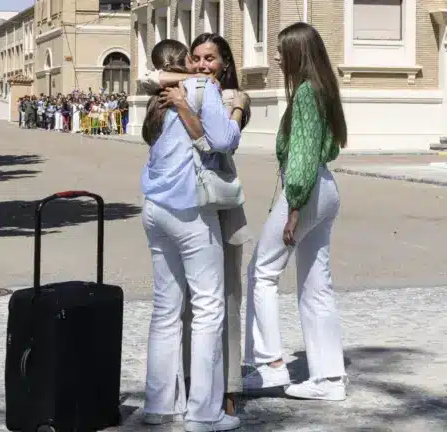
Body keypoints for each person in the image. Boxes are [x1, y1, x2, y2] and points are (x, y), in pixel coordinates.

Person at [141, 32, 252, 417]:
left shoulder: (163, 95)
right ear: (187, 60)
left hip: (155, 206)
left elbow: (150, 78)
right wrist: (228, 109)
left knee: (166, 309)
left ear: (225, 62)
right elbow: (223, 140)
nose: (203, 64)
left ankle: (158, 408)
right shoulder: (204, 89)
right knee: (208, 307)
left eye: (210, 58)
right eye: (196, 57)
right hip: (193, 206)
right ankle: (204, 412)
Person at [243, 22, 349, 400]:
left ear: (297, 54)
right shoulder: (324, 89)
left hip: (305, 191)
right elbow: (330, 148)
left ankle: (270, 364)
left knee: (262, 271)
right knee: (316, 285)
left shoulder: (305, 93)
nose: (275, 57)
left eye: (280, 50)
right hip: (326, 188)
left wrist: (294, 206)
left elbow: (302, 155)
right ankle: (329, 379)